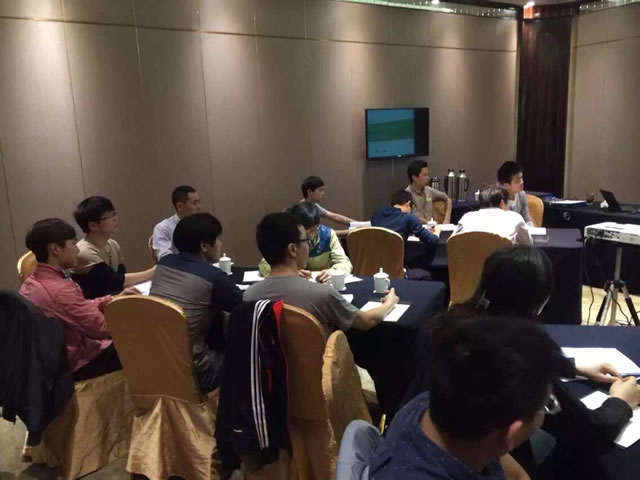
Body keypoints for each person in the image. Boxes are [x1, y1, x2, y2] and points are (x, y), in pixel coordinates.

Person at [418, 246, 639, 478]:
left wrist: (571, 366)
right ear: (539, 302)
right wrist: (621, 401)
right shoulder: (520, 359)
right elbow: (590, 433)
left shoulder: (450, 325)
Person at [369, 314, 562, 480]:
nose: (550, 405)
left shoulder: (433, 403)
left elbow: (513, 473)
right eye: (548, 404)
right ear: (512, 433)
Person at [19, 218, 137, 381]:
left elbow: (78, 307)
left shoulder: (32, 282)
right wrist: (133, 311)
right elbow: (102, 328)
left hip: (49, 363)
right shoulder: (60, 291)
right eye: (73, 244)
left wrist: (111, 299)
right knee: (145, 341)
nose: (77, 250)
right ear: (55, 249)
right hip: (77, 364)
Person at [244, 212, 399, 335]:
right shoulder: (323, 294)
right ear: (292, 249)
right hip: (320, 366)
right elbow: (366, 321)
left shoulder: (249, 296)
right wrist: (390, 303)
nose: (308, 246)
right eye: (305, 240)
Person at [150, 213, 242, 393]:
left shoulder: (164, 263)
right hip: (195, 371)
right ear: (204, 246)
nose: (220, 244)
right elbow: (244, 308)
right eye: (217, 239)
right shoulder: (214, 277)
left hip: (159, 362)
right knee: (251, 356)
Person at [72, 196, 155, 299]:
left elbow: (122, 276)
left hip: (114, 299)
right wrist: (152, 272)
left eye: (114, 213)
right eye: (109, 217)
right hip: (94, 304)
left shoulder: (113, 244)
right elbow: (114, 281)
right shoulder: (84, 251)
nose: (115, 218)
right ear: (93, 225)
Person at [258, 202, 352, 283]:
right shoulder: (287, 236)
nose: (307, 234)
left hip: (321, 285)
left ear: (317, 225)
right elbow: (264, 264)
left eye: (311, 230)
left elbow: (344, 262)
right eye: (303, 229)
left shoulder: (328, 235)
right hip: (292, 286)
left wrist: (334, 272)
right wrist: (288, 273)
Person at [371, 189, 440, 273]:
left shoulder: (377, 214)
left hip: (375, 269)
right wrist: (437, 232)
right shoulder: (409, 218)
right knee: (426, 273)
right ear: (408, 204)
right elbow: (431, 240)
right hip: (398, 269)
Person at [452, 185, 533, 246]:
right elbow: (528, 244)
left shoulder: (467, 217)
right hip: (502, 263)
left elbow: (452, 242)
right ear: (502, 203)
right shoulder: (515, 218)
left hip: (469, 263)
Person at [152, 185, 202, 260]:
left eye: (199, 202)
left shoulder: (201, 225)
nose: (199, 207)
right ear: (179, 206)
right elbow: (165, 259)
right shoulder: (163, 228)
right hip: (177, 267)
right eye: (195, 203)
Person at [405, 160, 452, 224]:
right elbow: (413, 217)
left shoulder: (428, 190)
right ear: (414, 177)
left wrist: (447, 219)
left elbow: (448, 199)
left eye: (428, 175)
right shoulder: (406, 195)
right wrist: (432, 224)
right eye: (424, 175)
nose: (428, 178)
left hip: (432, 226)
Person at [497, 161, 533, 226]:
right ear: (506, 185)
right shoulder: (497, 198)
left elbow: (527, 218)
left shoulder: (521, 195)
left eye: (521, 178)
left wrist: (530, 228)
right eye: (517, 180)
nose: (522, 182)